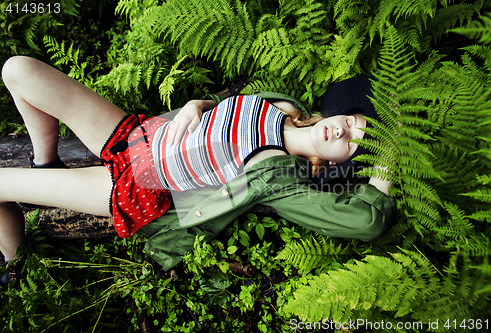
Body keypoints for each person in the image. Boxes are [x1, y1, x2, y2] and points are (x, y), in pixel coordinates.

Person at [0, 56, 394, 288]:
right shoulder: (282, 107)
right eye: (351, 120)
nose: (343, 129)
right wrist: (196, 105)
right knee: (18, 70)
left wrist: (388, 160)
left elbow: (367, 222)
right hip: (139, 136)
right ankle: (45, 162)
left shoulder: (280, 176)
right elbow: (223, 117)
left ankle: (14, 265)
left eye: (353, 142)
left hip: (137, 187)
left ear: (339, 163)